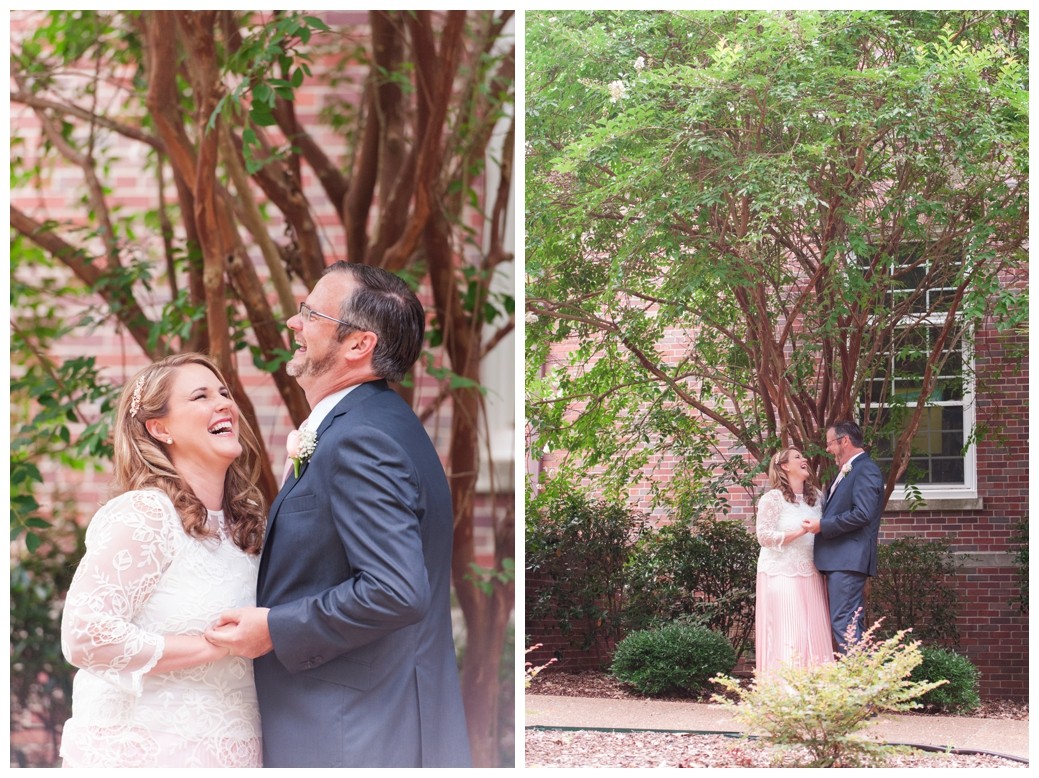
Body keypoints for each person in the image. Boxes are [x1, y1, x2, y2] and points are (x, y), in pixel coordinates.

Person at [206, 261, 471, 768]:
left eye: (310, 312)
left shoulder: (363, 439)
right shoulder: (375, 424)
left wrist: (274, 629)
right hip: (367, 724)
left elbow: (395, 591)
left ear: (357, 345)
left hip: (354, 735)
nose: (293, 323)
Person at [60, 354, 267, 767]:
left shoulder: (248, 526)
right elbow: (84, 635)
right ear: (160, 428)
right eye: (201, 396)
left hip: (235, 753)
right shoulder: (145, 514)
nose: (224, 403)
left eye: (224, 393)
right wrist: (214, 647)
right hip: (147, 755)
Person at [802, 420, 885, 651]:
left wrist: (823, 525)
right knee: (850, 624)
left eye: (830, 444)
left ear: (844, 441)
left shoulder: (865, 469)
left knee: (843, 623)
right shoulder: (850, 470)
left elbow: (862, 513)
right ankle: (861, 681)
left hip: (847, 560)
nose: (827, 449)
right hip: (841, 560)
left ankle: (857, 684)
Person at [754, 447, 834, 680]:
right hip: (781, 573)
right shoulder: (772, 499)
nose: (804, 459)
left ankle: (818, 689)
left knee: (815, 629)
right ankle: (785, 690)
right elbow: (764, 536)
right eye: (797, 457)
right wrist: (800, 531)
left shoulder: (817, 497)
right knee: (791, 629)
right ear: (784, 466)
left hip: (811, 571)